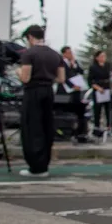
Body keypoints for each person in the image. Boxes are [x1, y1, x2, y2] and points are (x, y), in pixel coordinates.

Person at [18, 25, 65, 177]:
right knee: (46, 126)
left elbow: (25, 77)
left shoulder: (29, 53)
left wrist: (18, 71)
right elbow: (61, 78)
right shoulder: (55, 54)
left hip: (33, 91)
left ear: (30, 37)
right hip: (48, 91)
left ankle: (35, 166)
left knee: (32, 127)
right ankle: (44, 164)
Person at [60, 46, 88, 141]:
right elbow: (64, 77)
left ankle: (79, 132)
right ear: (64, 54)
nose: (70, 54)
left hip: (76, 92)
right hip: (66, 90)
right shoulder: (61, 63)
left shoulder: (74, 62)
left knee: (79, 111)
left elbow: (81, 71)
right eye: (68, 53)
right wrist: (72, 86)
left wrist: (74, 64)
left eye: (71, 52)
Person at [87, 50, 112, 135]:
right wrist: (97, 88)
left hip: (107, 89)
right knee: (97, 110)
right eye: (101, 56)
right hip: (98, 89)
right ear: (97, 57)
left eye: (104, 56)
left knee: (108, 110)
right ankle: (96, 128)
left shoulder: (108, 66)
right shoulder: (93, 67)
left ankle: (109, 127)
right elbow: (90, 81)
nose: (103, 58)